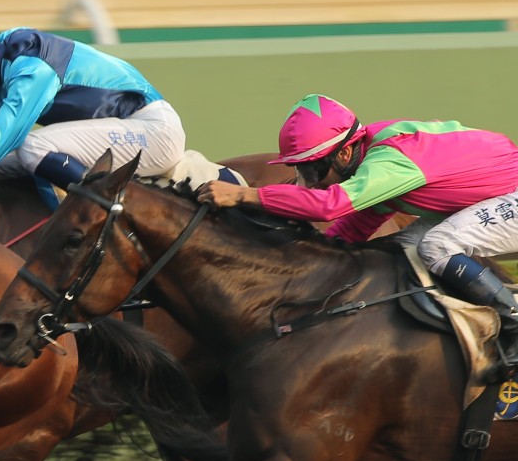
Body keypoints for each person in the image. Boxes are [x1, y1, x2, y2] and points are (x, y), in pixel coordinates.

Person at [197, 93, 518, 366]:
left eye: (314, 169)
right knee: (399, 248)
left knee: (436, 247)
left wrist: (245, 194)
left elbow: (329, 205)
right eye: (301, 169)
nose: (308, 181)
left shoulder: (391, 162)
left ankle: (513, 326)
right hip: (487, 198)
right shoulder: (371, 156)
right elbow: (354, 229)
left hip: (510, 197)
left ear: (345, 152)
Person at [0, 1, 186, 208]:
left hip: (152, 132)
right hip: (127, 132)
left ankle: (105, 224)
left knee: (33, 148)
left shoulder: (30, 69)